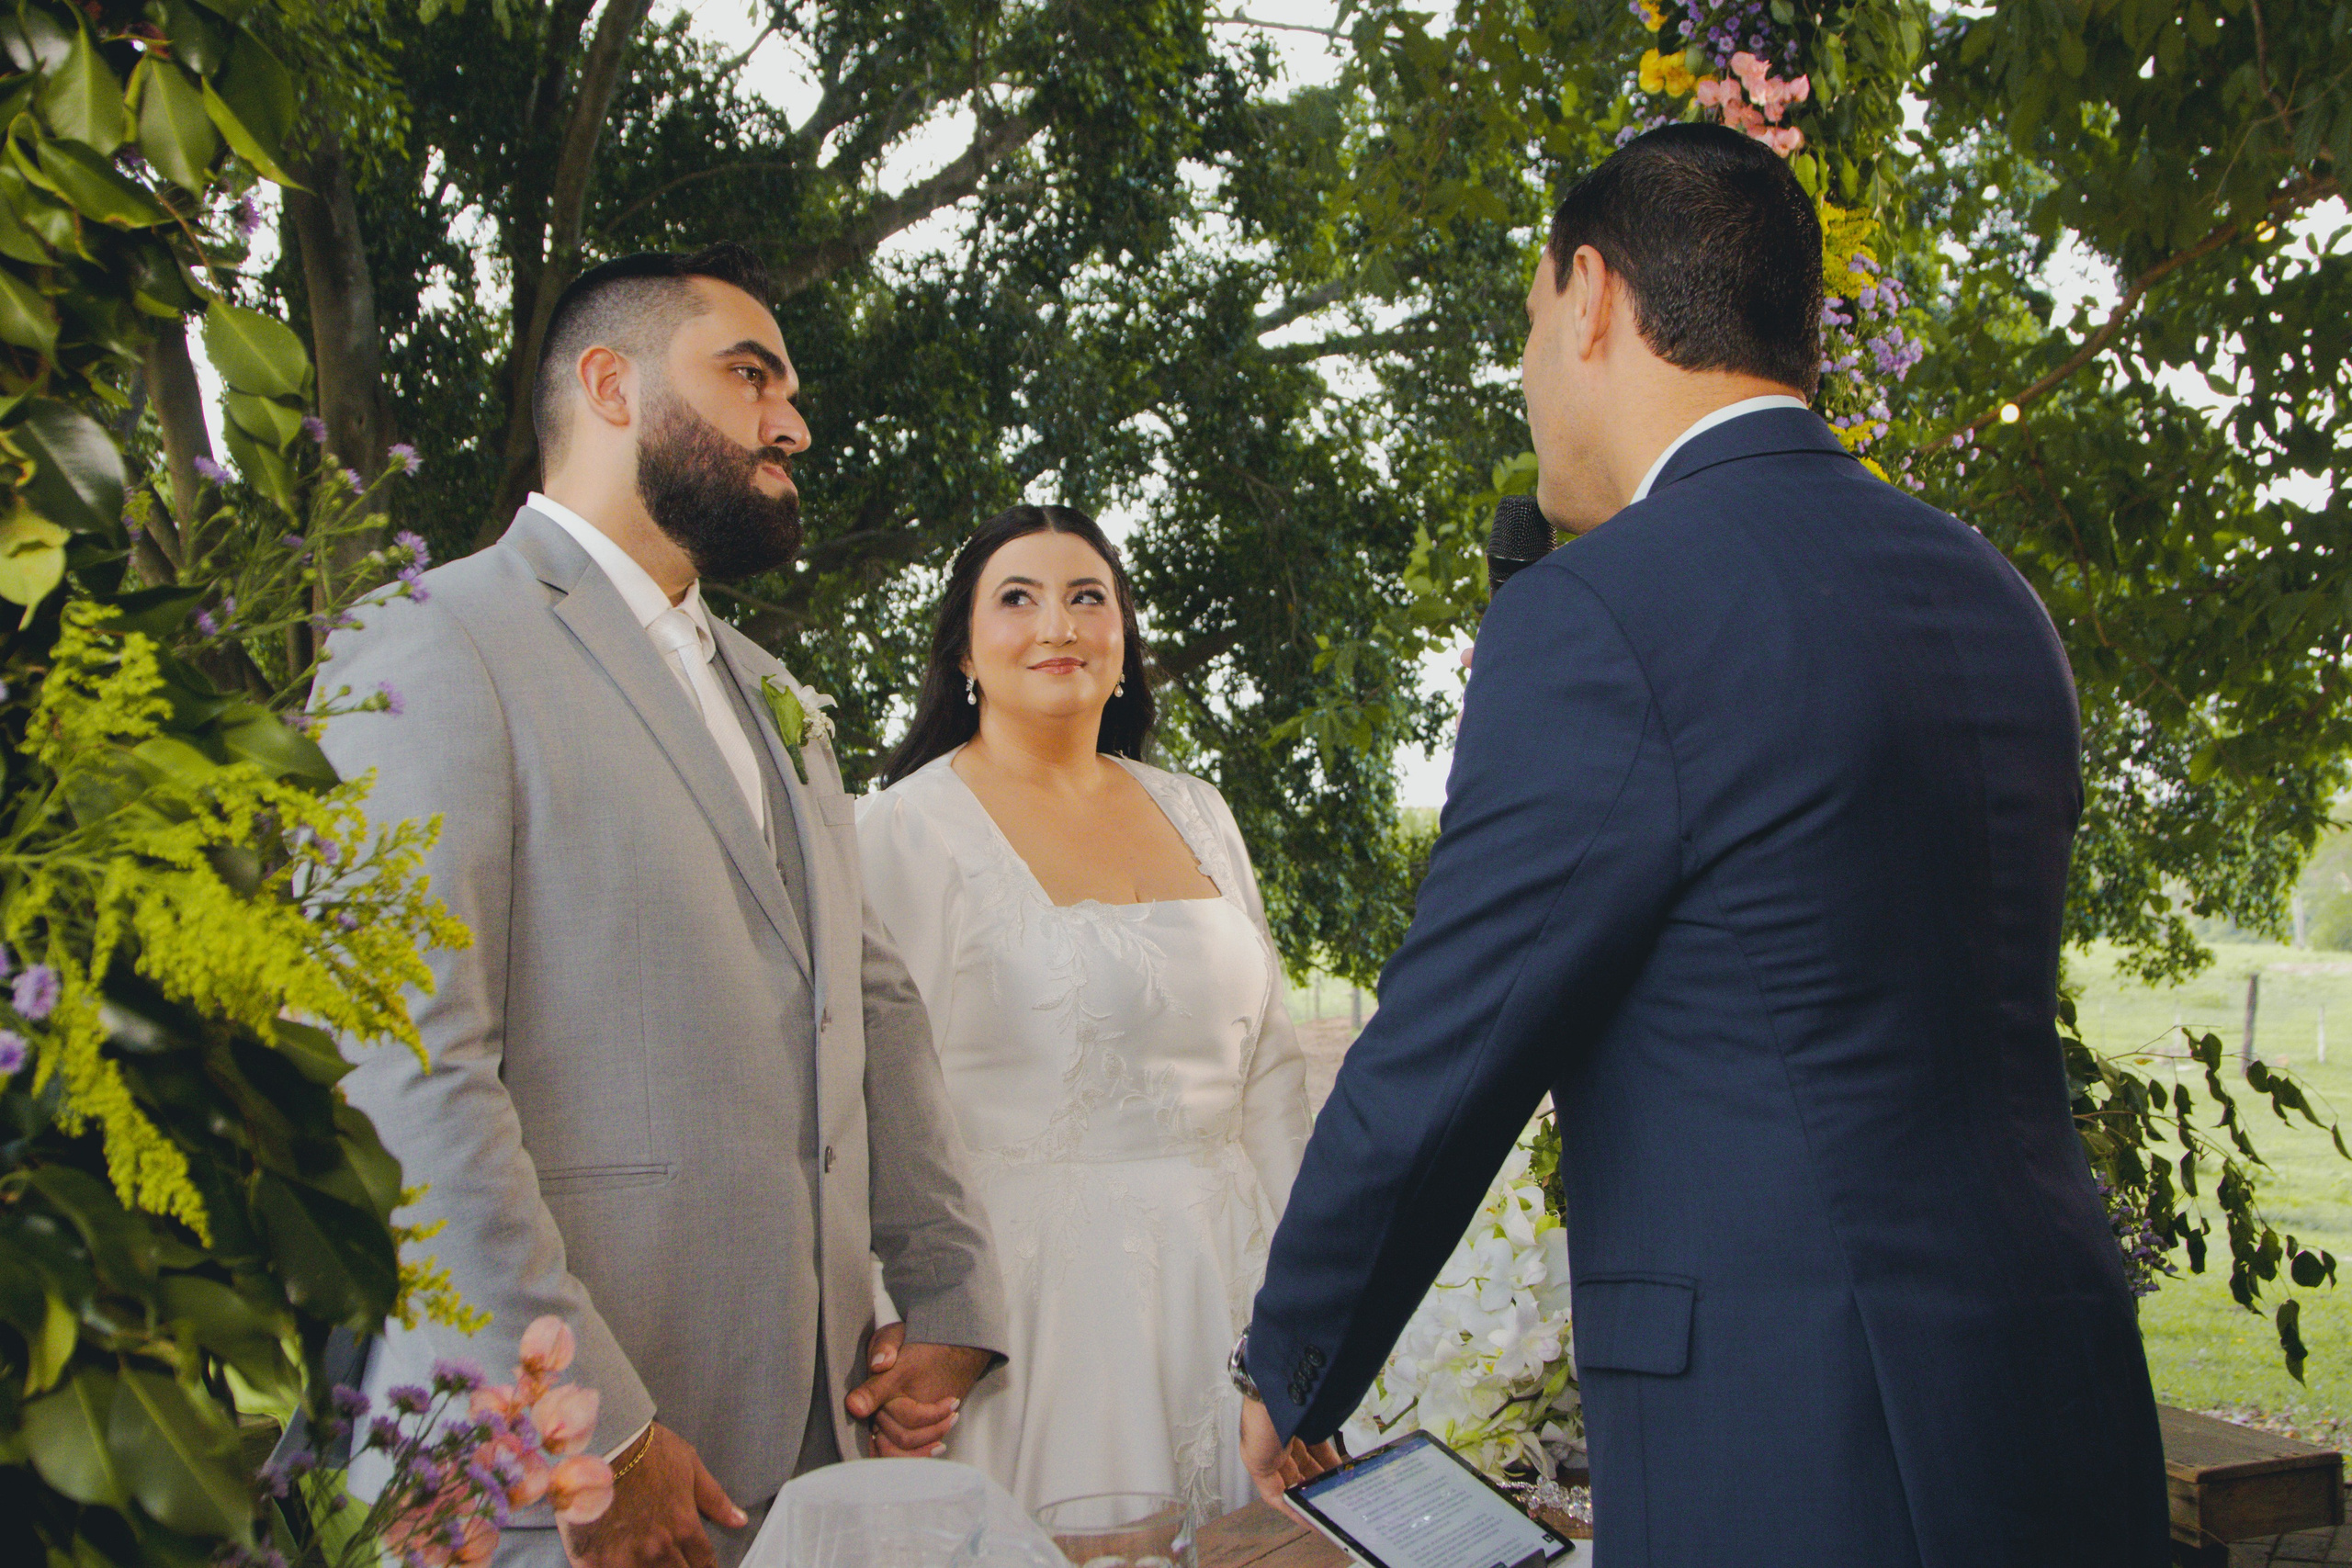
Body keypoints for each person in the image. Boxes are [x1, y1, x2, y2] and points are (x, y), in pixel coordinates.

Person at [1235, 124, 2170, 1566]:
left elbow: (1451, 1040)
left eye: (1531, 322)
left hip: (1802, 1430)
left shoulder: (1603, 610)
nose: (1530, 374)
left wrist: (1293, 1359)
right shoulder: (1989, 591)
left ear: (1592, 294)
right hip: (2058, 1391)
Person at [324, 243, 1009, 1568]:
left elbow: (866, 999)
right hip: (557, 1468)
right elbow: (403, 1066)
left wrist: (951, 1289)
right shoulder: (424, 638)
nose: (794, 420)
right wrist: (589, 1422)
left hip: (809, 1438)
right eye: (751, 374)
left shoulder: (777, 694)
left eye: (791, 388)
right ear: (610, 385)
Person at [856, 504, 1312, 1520]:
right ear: (964, 650)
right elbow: (874, 1096)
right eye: (1016, 598)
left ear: (1123, 646)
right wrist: (905, 1322)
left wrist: (1310, 1310)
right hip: (1039, 1324)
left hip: (1232, 1295)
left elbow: (1273, 1082)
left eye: (1087, 598)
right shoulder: (903, 829)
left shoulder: (1199, 809)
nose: (1057, 625)